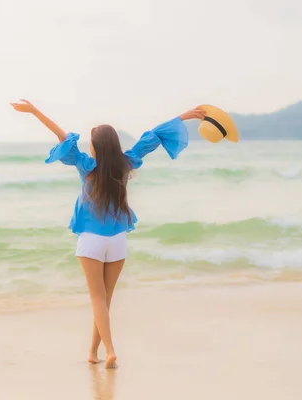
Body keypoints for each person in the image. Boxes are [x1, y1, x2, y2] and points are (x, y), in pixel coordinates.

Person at [11, 99, 205, 368]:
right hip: (117, 241)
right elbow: (154, 136)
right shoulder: (127, 163)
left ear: (95, 145)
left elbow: (62, 137)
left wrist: (33, 112)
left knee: (97, 299)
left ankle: (111, 351)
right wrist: (182, 117)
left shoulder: (86, 166)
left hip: (91, 240)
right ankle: (93, 352)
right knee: (105, 300)